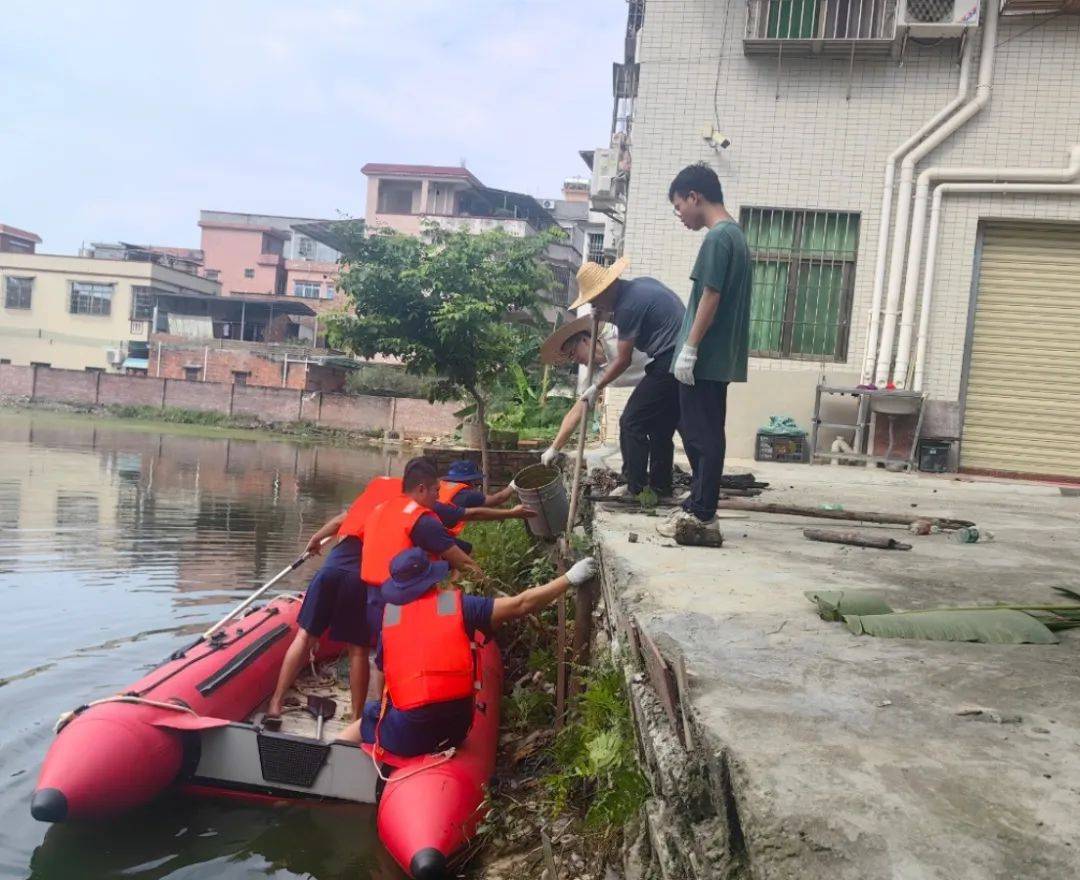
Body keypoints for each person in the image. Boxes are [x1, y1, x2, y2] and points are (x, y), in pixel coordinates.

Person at [338, 547, 597, 756]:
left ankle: (330, 754)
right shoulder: (463, 606)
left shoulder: (390, 620)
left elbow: (383, 675)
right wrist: (570, 578)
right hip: (456, 727)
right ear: (432, 577)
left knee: (367, 717)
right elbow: (521, 604)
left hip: (411, 733)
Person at [663, 162, 752, 536]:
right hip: (716, 357)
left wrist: (690, 348)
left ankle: (701, 512)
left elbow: (710, 296)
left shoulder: (717, 238)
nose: (679, 214)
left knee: (702, 435)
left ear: (694, 197)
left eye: (678, 206)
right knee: (702, 429)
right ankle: (698, 504)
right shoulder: (736, 236)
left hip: (706, 356)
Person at [566, 259, 686, 500]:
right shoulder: (640, 286)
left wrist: (596, 387)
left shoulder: (626, 308)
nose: (593, 304)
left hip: (669, 360)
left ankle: (636, 487)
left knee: (632, 421)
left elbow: (623, 360)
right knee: (661, 428)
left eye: (593, 299)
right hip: (682, 356)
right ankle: (661, 488)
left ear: (605, 291)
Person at [537, 315, 651, 468]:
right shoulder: (594, 375)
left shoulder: (615, 336)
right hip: (653, 385)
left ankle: (637, 483)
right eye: (570, 358)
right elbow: (577, 411)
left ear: (585, 340)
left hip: (667, 369)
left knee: (631, 423)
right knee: (641, 428)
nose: (574, 360)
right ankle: (643, 483)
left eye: (572, 353)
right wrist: (554, 448)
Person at [438, 459, 515, 538]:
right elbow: (498, 499)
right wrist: (513, 485)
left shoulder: (439, 485)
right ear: (470, 479)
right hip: (442, 535)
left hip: (430, 528)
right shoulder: (466, 494)